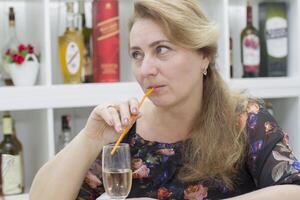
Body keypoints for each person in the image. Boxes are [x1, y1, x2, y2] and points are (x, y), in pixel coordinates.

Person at [29, 0, 300, 199]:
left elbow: (293, 190)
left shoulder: (244, 118)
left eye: (162, 50)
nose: (146, 69)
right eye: (137, 54)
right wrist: (89, 138)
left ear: (203, 56)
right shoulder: (125, 131)